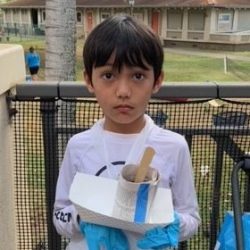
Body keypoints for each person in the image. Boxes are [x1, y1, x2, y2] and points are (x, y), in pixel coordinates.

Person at [53, 15, 200, 250]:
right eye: (108, 75)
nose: (123, 91)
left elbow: (191, 219)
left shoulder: (174, 146)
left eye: (138, 76)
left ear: (157, 80)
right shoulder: (79, 145)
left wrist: (170, 223)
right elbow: (60, 217)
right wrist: (85, 219)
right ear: (89, 80)